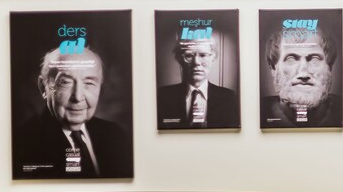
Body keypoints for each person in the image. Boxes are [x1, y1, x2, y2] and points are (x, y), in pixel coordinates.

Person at [14, 47, 130, 178]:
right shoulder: (22, 144)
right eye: (65, 82)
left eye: (89, 83)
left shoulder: (115, 135)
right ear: (43, 87)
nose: (78, 97)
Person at [261, 23, 342, 128]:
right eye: (291, 59)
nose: (304, 74)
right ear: (273, 68)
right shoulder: (258, 112)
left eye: (314, 59)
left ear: (329, 67)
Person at [157, 34, 239, 128]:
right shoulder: (163, 96)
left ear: (213, 58)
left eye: (203, 55)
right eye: (188, 55)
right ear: (180, 59)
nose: (196, 62)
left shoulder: (229, 98)